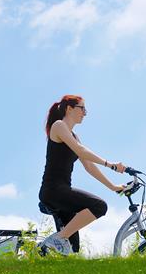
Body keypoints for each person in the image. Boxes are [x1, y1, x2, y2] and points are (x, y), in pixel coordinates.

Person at [38, 95, 126, 255]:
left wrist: (113, 187)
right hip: (53, 191)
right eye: (82, 108)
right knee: (99, 206)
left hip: (62, 193)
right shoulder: (58, 126)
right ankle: (56, 239)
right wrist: (111, 164)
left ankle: (50, 247)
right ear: (69, 109)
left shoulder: (75, 136)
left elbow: (89, 167)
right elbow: (81, 151)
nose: (85, 113)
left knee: (72, 250)